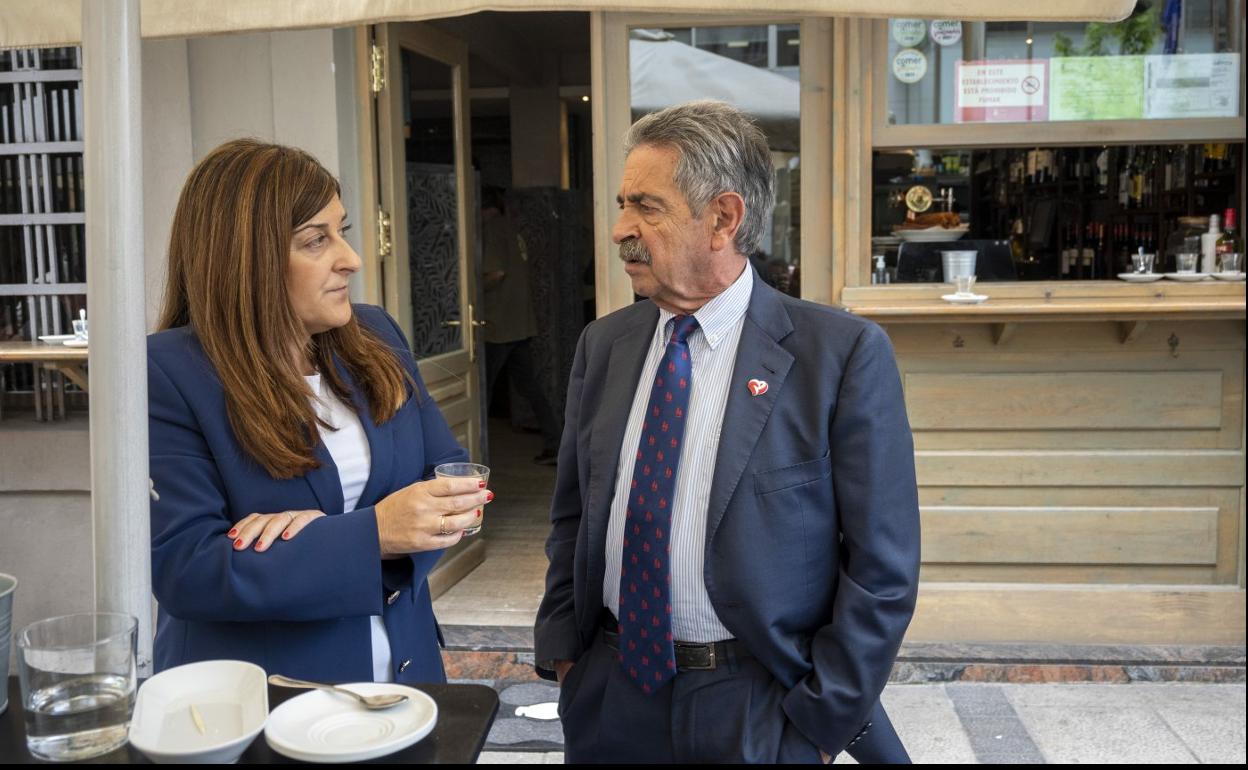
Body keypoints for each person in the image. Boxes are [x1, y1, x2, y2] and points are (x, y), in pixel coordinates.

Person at [534, 101, 920, 763]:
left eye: (647, 208)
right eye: (624, 204)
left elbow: (882, 570)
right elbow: (573, 515)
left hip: (755, 705)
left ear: (724, 218)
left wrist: (818, 727)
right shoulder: (605, 345)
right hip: (614, 697)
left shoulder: (840, 354)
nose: (620, 228)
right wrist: (567, 658)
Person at [148, 139, 493, 684]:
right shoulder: (169, 371)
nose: (351, 259)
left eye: (343, 231)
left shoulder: (375, 335)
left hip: (406, 679)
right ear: (246, 257)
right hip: (263, 700)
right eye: (316, 240)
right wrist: (370, 533)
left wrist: (337, 537)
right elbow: (187, 570)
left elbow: (453, 482)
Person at [480, 186, 562, 464]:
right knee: (530, 385)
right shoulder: (511, 228)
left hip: (497, 323)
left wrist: (468, 289)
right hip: (520, 321)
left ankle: (475, 455)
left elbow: (496, 272)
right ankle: (556, 441)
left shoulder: (491, 229)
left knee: (481, 392)